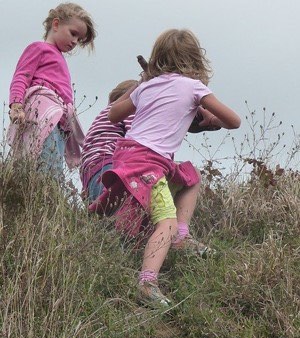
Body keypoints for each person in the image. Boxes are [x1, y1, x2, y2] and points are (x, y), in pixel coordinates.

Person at [90, 29, 241, 306]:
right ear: (196, 60)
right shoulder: (195, 87)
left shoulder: (147, 86)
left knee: (189, 176)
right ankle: (148, 282)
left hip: (128, 156)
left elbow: (114, 114)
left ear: (157, 57)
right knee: (166, 222)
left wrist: (140, 84)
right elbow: (234, 121)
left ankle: (180, 238)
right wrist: (209, 118)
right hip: (149, 161)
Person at [7, 2, 96, 179]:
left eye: (79, 40)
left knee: (54, 167)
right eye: (73, 34)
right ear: (56, 24)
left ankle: (44, 200)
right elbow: (21, 76)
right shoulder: (39, 48)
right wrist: (16, 105)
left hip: (59, 123)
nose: (74, 42)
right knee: (44, 166)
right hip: (43, 115)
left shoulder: (59, 58)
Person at [80, 80, 137, 203]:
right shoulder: (128, 109)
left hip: (92, 177)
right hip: (110, 167)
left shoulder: (103, 116)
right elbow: (139, 139)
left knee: (109, 216)